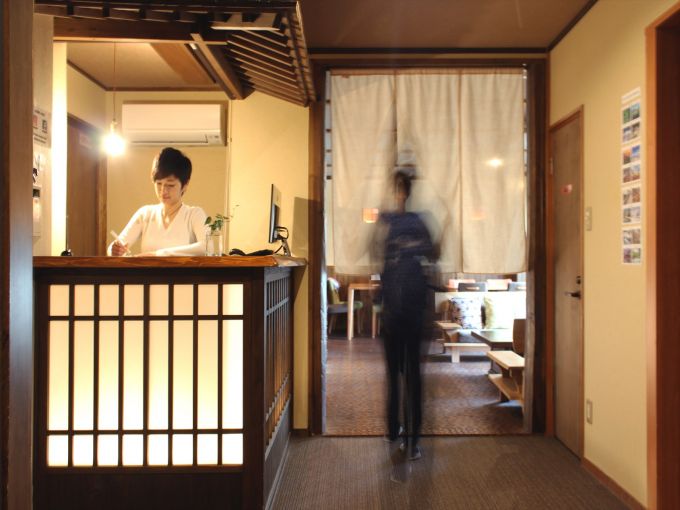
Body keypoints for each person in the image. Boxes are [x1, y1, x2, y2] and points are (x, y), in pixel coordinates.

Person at [379, 169, 435, 461]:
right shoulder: (393, 220)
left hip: (409, 310)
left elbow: (432, 254)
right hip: (397, 310)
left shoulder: (412, 220)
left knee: (409, 376)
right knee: (398, 375)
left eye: (401, 188)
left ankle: (409, 439)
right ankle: (396, 432)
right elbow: (380, 263)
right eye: (398, 189)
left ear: (405, 191)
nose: (400, 194)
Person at [108, 147, 207, 256]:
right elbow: (118, 244)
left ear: (185, 185)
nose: (163, 190)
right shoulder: (145, 214)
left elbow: (206, 247)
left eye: (170, 185)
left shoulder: (194, 214)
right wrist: (115, 250)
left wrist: (157, 255)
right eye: (159, 183)